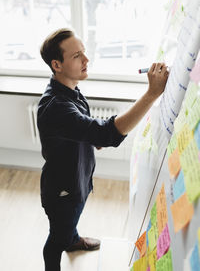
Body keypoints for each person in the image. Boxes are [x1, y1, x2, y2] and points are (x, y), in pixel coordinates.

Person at [37, 28, 168, 271]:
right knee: (56, 238)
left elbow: (84, 131)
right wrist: (152, 94)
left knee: (69, 222)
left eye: (84, 52)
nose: (86, 59)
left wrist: (91, 138)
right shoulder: (56, 107)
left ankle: (73, 240)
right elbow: (105, 133)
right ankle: (63, 246)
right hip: (63, 191)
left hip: (78, 179)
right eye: (77, 55)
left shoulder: (70, 89)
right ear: (57, 64)